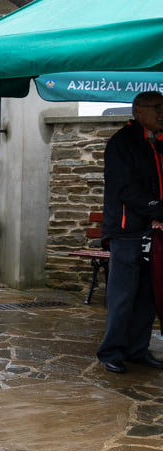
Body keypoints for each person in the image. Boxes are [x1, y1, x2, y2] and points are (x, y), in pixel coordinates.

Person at [96, 91, 163, 374]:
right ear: (138, 111)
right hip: (126, 232)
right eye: (157, 108)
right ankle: (111, 352)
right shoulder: (122, 143)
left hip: (153, 231)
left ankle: (137, 349)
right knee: (123, 296)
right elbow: (125, 189)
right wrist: (157, 210)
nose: (162, 113)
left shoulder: (158, 143)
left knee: (148, 296)